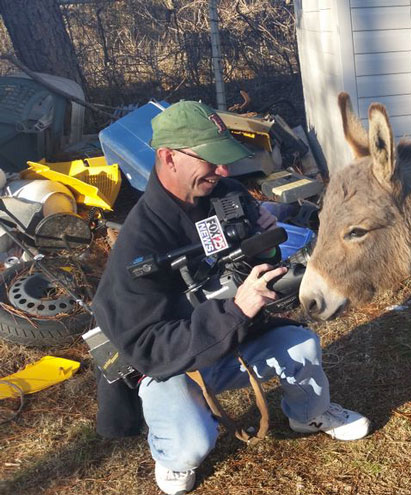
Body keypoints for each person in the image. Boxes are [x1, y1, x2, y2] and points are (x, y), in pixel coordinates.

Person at [91, 101, 370, 495]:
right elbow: (147, 348)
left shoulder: (226, 195)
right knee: (192, 445)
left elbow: (254, 264)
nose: (223, 172)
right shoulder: (138, 245)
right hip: (173, 362)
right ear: (169, 157)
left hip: (233, 335)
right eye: (212, 162)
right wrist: (235, 309)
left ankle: (309, 414)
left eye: (225, 161)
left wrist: (268, 246)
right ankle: (171, 454)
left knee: (301, 345)